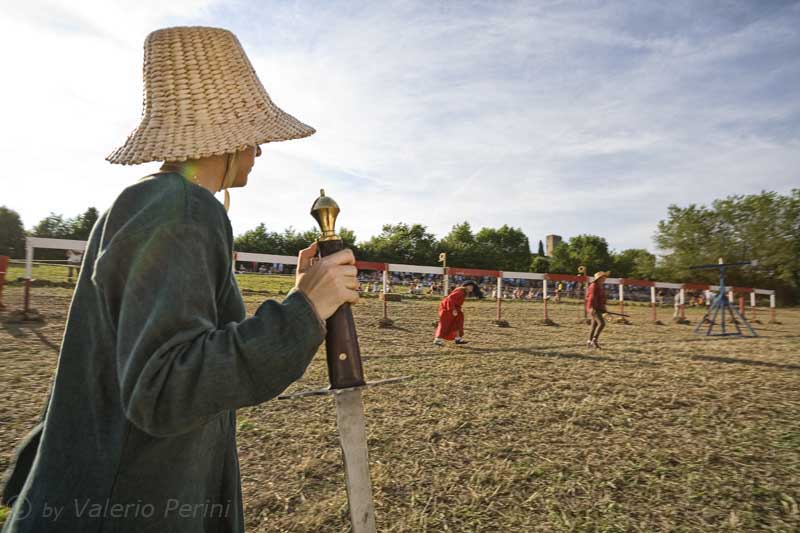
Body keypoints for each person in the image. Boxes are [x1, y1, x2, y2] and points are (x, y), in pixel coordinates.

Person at [0, 26, 360, 533]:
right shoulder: (180, 207)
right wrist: (305, 309)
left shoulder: (152, 203)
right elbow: (166, 388)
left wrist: (301, 294)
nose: (259, 148)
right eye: (253, 132)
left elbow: (164, 353)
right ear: (226, 136)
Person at [433, 280, 484, 346]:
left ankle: (458, 338)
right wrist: (452, 309)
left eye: (472, 286)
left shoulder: (463, 292)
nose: (471, 288)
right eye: (470, 286)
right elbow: (450, 299)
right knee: (445, 324)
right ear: (465, 286)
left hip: (454, 308)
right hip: (447, 308)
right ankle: (437, 339)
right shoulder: (460, 291)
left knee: (458, 322)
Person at [586, 271, 610, 349]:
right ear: (599, 278)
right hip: (593, 308)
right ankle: (594, 340)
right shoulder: (594, 286)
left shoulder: (600, 286)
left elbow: (602, 299)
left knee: (594, 325)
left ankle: (589, 342)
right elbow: (592, 298)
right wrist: (593, 308)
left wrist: (604, 309)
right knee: (602, 323)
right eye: (603, 277)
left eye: (605, 277)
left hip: (598, 308)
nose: (604, 279)